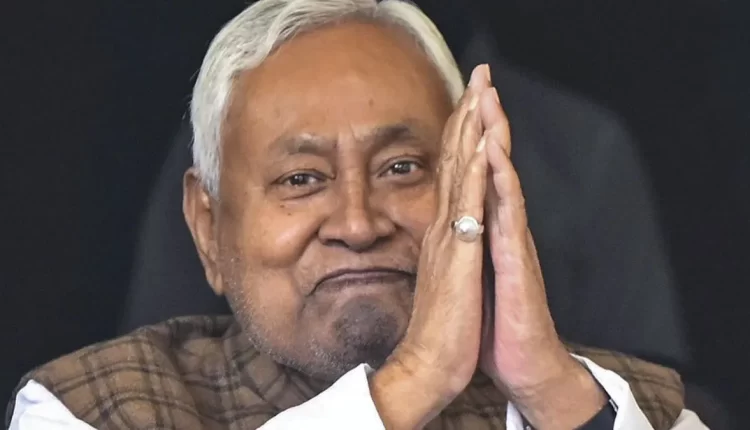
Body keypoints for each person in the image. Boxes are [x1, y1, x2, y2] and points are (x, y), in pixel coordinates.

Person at [7, 1, 706, 428]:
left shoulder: (626, 408)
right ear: (207, 229)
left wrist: (549, 389)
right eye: (301, 179)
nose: (359, 222)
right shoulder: (90, 408)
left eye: (402, 168)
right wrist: (419, 376)